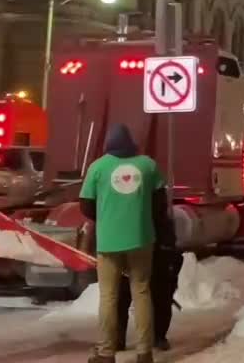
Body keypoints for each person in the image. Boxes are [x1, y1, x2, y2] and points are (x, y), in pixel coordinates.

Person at [80, 124, 166, 363]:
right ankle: (144, 353)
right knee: (141, 291)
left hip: (108, 241)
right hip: (141, 238)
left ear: (108, 145)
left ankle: (107, 353)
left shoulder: (97, 168)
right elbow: (161, 205)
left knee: (108, 296)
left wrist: (108, 216)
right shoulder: (148, 165)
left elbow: (85, 205)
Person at [116, 196, 183, 351]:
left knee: (157, 294)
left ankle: (155, 336)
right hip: (144, 245)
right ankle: (152, 337)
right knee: (125, 296)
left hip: (154, 246)